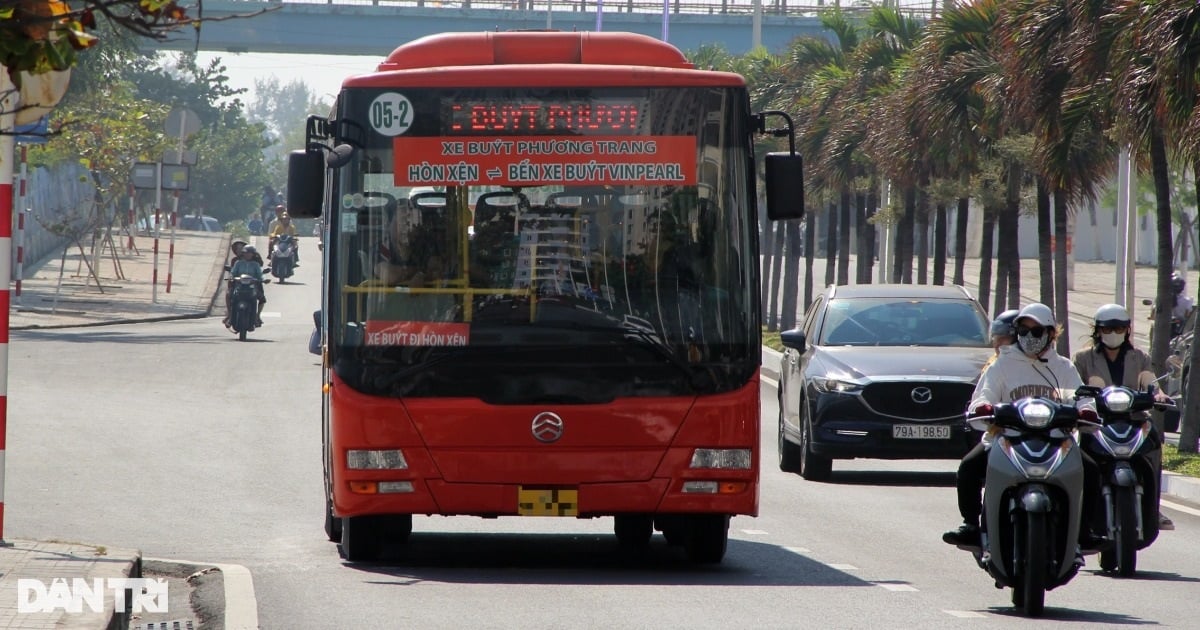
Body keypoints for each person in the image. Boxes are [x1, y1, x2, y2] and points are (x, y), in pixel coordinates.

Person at [942, 302, 1107, 551]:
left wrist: (1086, 410)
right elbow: (984, 395)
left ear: (1052, 334)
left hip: (1055, 441)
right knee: (968, 467)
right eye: (1024, 331)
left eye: (1037, 331)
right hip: (1007, 439)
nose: (1030, 337)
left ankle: (1083, 531)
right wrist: (983, 407)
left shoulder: (1063, 367)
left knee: (1091, 471)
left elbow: (1081, 398)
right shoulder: (1002, 364)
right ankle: (971, 525)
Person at [1072, 303, 1175, 531]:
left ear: (1127, 330)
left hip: (1134, 420)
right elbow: (1074, 388)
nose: (1113, 334)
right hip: (1097, 423)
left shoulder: (1140, 357)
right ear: (1098, 330)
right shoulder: (1082, 358)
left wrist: (1159, 395)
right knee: (1079, 454)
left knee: (1154, 443)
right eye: (1107, 329)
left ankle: (1152, 504)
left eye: (1119, 329)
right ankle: (1079, 508)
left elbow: (1151, 383)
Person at [223, 240, 265, 328]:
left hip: (252, 287)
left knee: (261, 298)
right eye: (246, 253)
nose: (248, 255)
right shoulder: (238, 263)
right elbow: (233, 273)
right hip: (239, 286)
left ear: (253, 254)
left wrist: (261, 280)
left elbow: (259, 275)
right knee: (231, 296)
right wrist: (232, 277)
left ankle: (257, 317)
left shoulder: (256, 264)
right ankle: (230, 317)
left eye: (250, 253)